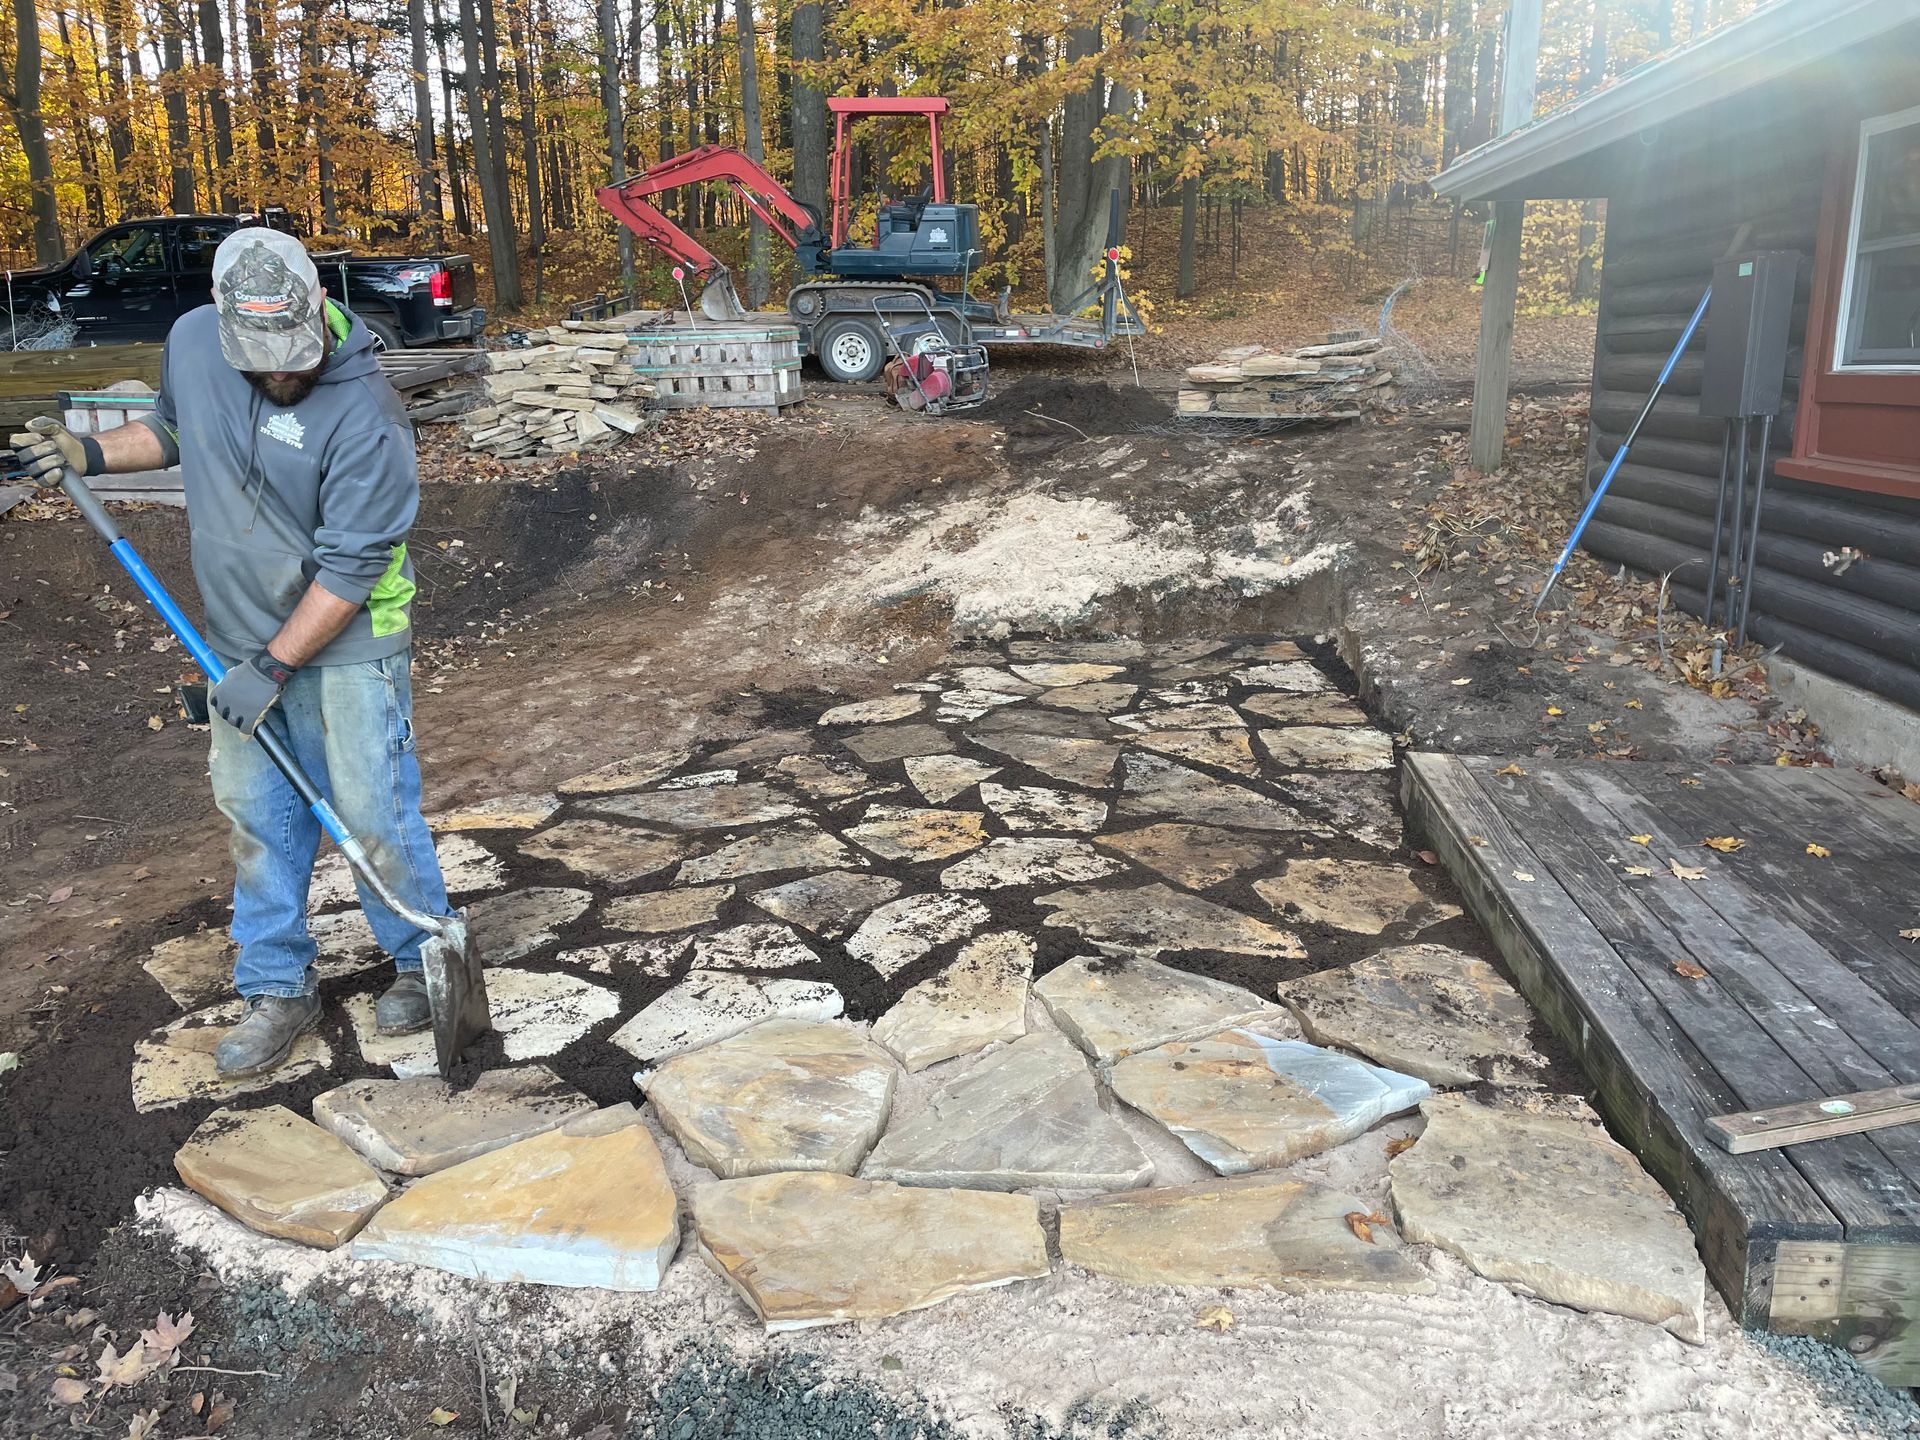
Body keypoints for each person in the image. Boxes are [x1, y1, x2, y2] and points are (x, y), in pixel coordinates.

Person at [11, 227, 450, 1079]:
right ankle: (278, 984)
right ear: (222, 325)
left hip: (349, 639)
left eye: (295, 353)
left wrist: (274, 668)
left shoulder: (368, 416)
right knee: (259, 818)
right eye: (263, 360)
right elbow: (174, 431)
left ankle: (421, 958)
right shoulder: (191, 342)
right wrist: (88, 453)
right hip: (236, 637)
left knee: (372, 811)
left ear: (316, 311)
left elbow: (354, 570)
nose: (282, 373)